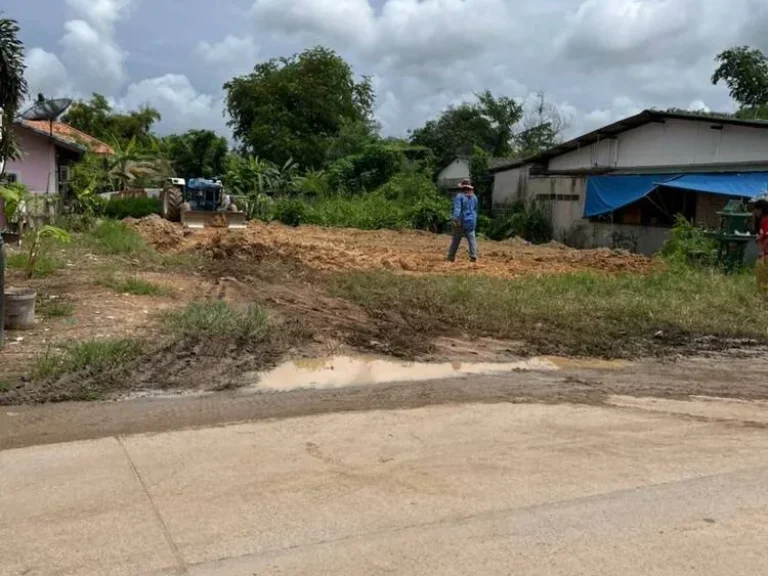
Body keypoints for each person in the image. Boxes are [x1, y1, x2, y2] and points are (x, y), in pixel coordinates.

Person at [446, 179, 479, 262]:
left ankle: (451, 256)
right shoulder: (474, 197)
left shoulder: (460, 196)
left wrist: (455, 219)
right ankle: (473, 255)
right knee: (472, 239)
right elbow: (475, 209)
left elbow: (457, 209)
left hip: (462, 220)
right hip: (472, 221)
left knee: (456, 239)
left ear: (462, 187)